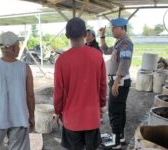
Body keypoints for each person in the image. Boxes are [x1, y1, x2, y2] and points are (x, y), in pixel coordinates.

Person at [54, 17, 107, 150]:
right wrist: (101, 106)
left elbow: (58, 91)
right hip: (92, 117)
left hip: (72, 119)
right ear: (85, 34)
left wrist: (58, 111)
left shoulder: (61, 60)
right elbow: (102, 85)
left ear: (67, 36)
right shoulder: (97, 56)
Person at [0, 31, 35, 150]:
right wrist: (31, 116)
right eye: (18, 45)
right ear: (14, 47)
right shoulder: (25, 68)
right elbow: (30, 96)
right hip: (19, 118)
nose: (19, 47)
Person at [99, 18, 133, 149]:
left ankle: (115, 142)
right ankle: (121, 137)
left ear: (122, 28)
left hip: (119, 81)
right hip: (118, 81)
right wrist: (102, 35)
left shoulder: (125, 43)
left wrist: (116, 82)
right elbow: (106, 50)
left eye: (114, 28)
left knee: (114, 111)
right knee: (120, 111)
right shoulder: (119, 43)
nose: (112, 30)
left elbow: (125, 63)